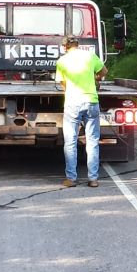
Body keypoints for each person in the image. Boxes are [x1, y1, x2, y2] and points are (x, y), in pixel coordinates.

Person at [56, 36, 108, 188]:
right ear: (78, 45)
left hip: (73, 104)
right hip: (91, 102)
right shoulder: (90, 56)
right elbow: (104, 71)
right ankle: (93, 179)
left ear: (65, 47)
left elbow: (63, 83)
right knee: (92, 142)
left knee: (70, 142)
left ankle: (71, 179)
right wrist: (95, 79)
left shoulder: (62, 61)